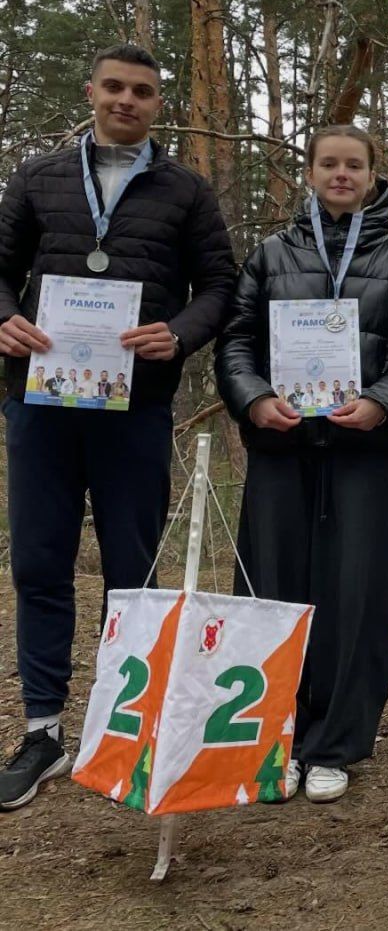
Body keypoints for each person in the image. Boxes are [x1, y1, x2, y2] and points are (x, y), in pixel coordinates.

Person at [0, 44, 235, 811]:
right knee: (40, 561)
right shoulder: (37, 176)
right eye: (114, 87)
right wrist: (4, 318)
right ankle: (42, 731)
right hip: (41, 403)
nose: (126, 100)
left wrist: (181, 331)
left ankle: (122, 726)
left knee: (133, 570)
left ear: (158, 103)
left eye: (141, 90)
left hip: (135, 407)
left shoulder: (186, 190)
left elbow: (221, 283)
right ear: (91, 91)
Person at [216, 124, 388, 805]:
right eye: (329, 163)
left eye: (354, 165)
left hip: (362, 453)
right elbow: (236, 340)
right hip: (281, 451)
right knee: (272, 591)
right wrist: (253, 400)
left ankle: (334, 744)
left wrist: (381, 403)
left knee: (357, 596)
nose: (342, 174)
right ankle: (274, 738)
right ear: (309, 172)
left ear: (371, 176)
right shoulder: (270, 254)